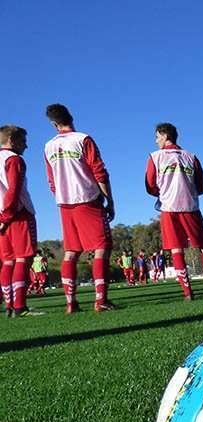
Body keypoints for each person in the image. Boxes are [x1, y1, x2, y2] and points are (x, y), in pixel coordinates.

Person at [44, 104, 115, 312]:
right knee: (101, 247)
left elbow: (51, 181)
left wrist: (61, 196)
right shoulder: (83, 139)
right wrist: (109, 200)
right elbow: (99, 171)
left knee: (71, 251)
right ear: (71, 117)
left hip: (64, 203)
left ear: (53, 124)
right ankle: (100, 300)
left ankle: (70, 303)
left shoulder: (48, 146)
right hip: (87, 199)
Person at [145, 122, 203, 299]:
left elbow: (149, 186)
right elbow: (201, 188)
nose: (156, 141)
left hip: (168, 209)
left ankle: (188, 293)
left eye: (157, 137)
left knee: (176, 249)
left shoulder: (154, 157)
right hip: (191, 208)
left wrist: (162, 191)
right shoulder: (191, 157)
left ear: (164, 136)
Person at [0, 125, 41, 317]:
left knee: (8, 261)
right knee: (23, 259)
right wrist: (7, 216)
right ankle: (20, 306)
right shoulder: (14, 160)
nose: (26, 146)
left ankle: (8, 305)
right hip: (17, 214)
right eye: (23, 141)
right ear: (12, 140)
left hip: (2, 217)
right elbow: (13, 189)